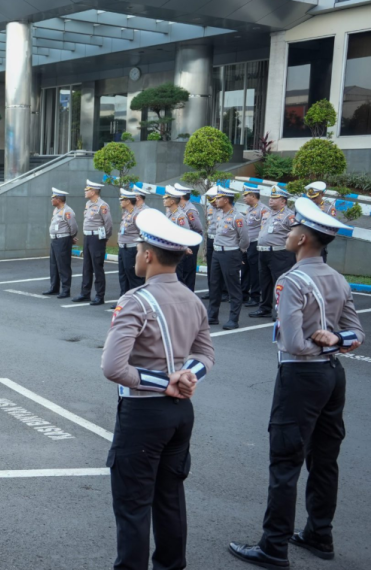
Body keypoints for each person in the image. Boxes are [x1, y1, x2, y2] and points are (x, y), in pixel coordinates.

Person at [229, 198, 364, 569]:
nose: (288, 232)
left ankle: (273, 547)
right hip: (332, 374)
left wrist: (323, 342)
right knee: (325, 460)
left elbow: (292, 343)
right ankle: (320, 534)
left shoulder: (290, 280)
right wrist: (336, 341)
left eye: (293, 229)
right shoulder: (337, 278)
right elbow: (356, 333)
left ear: (303, 239)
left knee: (285, 461)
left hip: (301, 376)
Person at [101, 207, 214, 570]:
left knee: (133, 505)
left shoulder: (134, 301)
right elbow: (206, 354)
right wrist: (187, 376)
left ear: (148, 255)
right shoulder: (193, 299)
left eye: (137, 250)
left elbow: (113, 367)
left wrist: (166, 382)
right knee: (170, 498)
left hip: (144, 412)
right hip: (180, 412)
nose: (135, 255)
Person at [250, 188, 297, 320]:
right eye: (271, 197)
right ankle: (264, 308)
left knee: (280, 283)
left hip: (280, 253)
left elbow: (296, 233)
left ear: (283, 201)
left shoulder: (289, 215)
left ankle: (281, 311)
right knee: (264, 282)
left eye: (275, 198)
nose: (271, 200)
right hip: (263, 252)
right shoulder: (267, 214)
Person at [207, 187, 249, 329]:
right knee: (214, 285)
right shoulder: (220, 214)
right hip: (217, 253)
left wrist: (239, 252)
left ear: (226, 200)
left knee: (233, 287)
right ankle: (212, 316)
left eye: (219, 198)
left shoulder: (238, 217)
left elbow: (245, 239)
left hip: (230, 254)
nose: (216, 200)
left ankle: (233, 319)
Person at [73, 180, 112, 305]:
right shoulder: (88, 204)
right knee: (87, 266)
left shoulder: (103, 205)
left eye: (87, 190)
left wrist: (104, 237)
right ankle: (85, 293)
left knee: (97, 267)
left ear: (93, 192)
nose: (85, 191)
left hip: (97, 238)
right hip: (87, 237)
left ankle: (100, 295)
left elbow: (108, 224)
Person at [42, 188, 77, 298]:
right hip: (55, 240)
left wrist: (70, 238)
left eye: (53, 198)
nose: (51, 200)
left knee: (63, 265)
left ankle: (66, 290)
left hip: (62, 240)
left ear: (59, 199)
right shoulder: (56, 210)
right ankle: (54, 287)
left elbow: (73, 227)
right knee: (54, 265)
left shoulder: (67, 211)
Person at [163, 186, 197, 291]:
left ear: (172, 201)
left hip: (176, 251)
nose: (164, 200)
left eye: (166, 198)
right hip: (168, 250)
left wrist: (185, 248)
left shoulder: (180, 216)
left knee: (178, 279)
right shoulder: (169, 214)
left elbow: (185, 234)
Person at [116, 188, 147, 300]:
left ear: (128, 201)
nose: (120, 201)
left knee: (133, 276)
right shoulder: (126, 213)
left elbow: (143, 233)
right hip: (123, 247)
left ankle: (137, 300)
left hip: (131, 249)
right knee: (123, 275)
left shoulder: (137, 214)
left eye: (122, 199)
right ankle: (124, 299)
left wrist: (141, 249)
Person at [242, 188, 270, 307]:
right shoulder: (249, 209)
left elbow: (265, 228)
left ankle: (255, 296)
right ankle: (244, 294)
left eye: (246, 196)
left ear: (253, 196)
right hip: (246, 243)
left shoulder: (263, 210)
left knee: (254, 271)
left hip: (255, 243)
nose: (244, 198)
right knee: (245, 269)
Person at [173, 184, 204, 291]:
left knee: (188, 272)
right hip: (182, 243)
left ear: (181, 196)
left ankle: (189, 295)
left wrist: (192, 241)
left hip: (190, 243)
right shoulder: (179, 208)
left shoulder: (190, 210)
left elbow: (198, 228)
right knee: (180, 271)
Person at [304, 181, 338, 263]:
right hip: (304, 243)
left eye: (314, 198)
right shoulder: (305, 206)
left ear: (322, 194)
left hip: (318, 245)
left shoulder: (329, 208)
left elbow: (333, 228)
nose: (312, 200)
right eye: (310, 198)